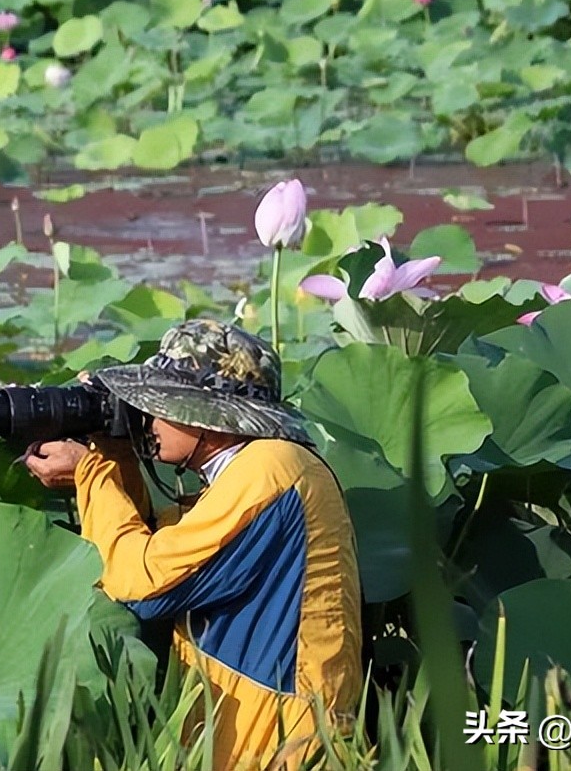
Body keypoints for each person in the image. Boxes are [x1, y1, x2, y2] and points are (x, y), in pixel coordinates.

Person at [24, 318, 362, 770]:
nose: (150, 416)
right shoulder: (256, 469)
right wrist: (116, 453)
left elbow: (143, 587)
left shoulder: (271, 469)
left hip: (281, 745)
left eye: (162, 402)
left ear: (209, 415)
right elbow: (156, 543)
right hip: (252, 734)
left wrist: (89, 473)